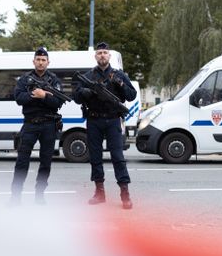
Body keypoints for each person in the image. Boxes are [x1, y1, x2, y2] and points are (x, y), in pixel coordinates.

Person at [73, 42, 137, 209]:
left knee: (118, 157)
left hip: (113, 120)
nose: (102, 55)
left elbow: (131, 96)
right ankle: (99, 192)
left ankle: (125, 193)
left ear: (109, 56)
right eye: (99, 52)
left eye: (105, 53)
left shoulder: (119, 75)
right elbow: (76, 96)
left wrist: (120, 84)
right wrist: (83, 93)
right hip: (94, 120)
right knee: (95, 157)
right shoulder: (89, 76)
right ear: (96, 56)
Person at [9, 47, 65, 206]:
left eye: (43, 60)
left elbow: (58, 103)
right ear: (34, 61)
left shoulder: (54, 80)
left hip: (49, 125)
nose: (40, 62)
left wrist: (44, 96)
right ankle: (15, 197)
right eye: (38, 59)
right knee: (21, 161)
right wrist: (35, 95)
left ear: (48, 62)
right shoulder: (24, 79)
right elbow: (18, 98)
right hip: (30, 124)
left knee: (46, 162)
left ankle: (39, 196)